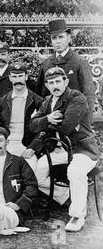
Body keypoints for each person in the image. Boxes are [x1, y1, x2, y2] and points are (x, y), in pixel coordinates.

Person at [30, 66, 100, 232]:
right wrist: (48, 118)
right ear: (46, 85)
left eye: (58, 81)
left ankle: (77, 215)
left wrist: (42, 120)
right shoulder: (48, 101)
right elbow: (32, 126)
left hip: (81, 150)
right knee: (34, 174)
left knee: (75, 172)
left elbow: (67, 126)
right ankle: (67, 195)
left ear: (66, 81)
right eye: (51, 82)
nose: (55, 86)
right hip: (58, 150)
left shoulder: (76, 97)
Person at [35, 19, 95, 119]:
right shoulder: (46, 64)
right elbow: (41, 94)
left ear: (68, 38)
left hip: (74, 119)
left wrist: (86, 122)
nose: (57, 41)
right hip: (51, 120)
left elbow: (88, 94)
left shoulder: (79, 62)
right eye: (54, 38)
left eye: (61, 37)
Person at [0, 61, 43, 172]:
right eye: (14, 76)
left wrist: (33, 148)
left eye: (20, 76)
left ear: (26, 77)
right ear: (10, 78)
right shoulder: (2, 102)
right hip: (6, 143)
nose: (17, 80)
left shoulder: (37, 101)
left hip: (26, 145)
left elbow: (43, 129)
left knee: (31, 171)